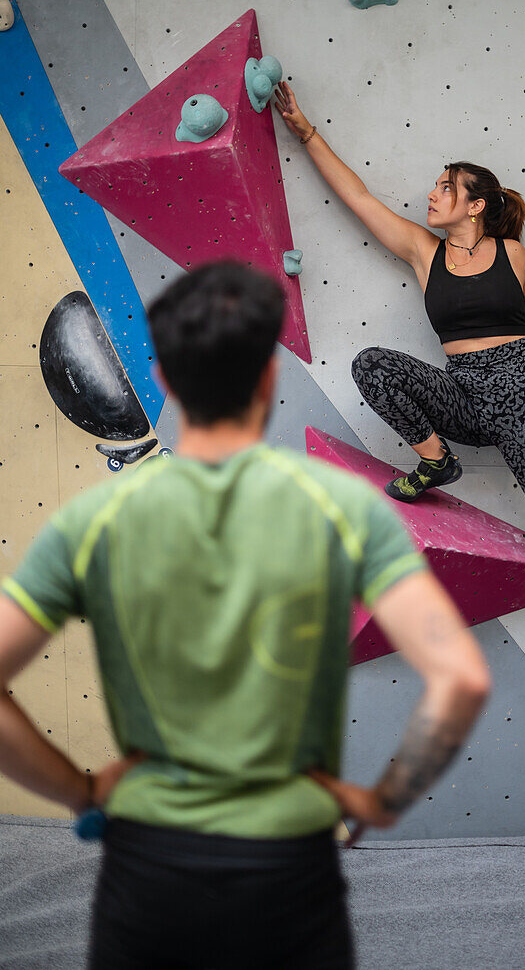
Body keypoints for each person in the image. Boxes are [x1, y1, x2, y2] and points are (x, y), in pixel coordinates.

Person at [0, 263, 491, 970]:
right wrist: (383, 798)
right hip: (289, 866)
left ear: (164, 381)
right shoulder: (344, 509)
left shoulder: (93, 523)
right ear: (267, 379)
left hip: (148, 866)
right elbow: (460, 680)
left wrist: (78, 791)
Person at [274, 81, 525, 682]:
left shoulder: (512, 254)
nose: (432, 194)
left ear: (475, 204)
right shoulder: (425, 254)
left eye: (445, 187)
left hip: (522, 396)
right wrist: (306, 131)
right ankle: (435, 462)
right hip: (465, 395)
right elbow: (359, 197)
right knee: (372, 364)